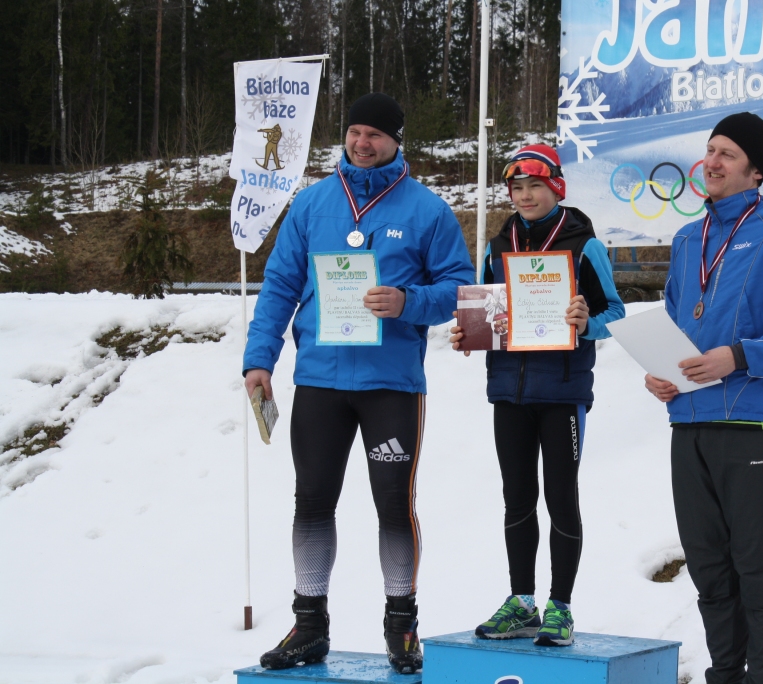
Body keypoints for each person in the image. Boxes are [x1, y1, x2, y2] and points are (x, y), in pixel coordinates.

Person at [243, 93, 475, 674]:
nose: (361, 142)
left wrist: (407, 301)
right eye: (353, 131)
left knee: (394, 503)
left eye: (373, 133)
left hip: (391, 384)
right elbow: (278, 287)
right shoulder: (313, 204)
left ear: (397, 140)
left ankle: (402, 626)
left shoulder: (428, 210)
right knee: (312, 501)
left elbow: (460, 290)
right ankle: (309, 624)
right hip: (320, 379)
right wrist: (258, 360)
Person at [644, 113, 763, 684]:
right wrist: (662, 375)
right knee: (709, 569)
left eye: (727, 154)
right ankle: (725, 673)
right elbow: (681, 330)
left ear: (756, 170)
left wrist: (740, 356)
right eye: (709, 150)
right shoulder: (685, 240)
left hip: (751, 426)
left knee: (756, 569)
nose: (712, 162)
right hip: (689, 425)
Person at [449, 144, 625, 646]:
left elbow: (615, 313)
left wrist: (587, 322)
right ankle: (521, 602)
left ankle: (561, 607)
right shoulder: (497, 242)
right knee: (517, 498)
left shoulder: (582, 242)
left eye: (535, 186)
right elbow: (486, 310)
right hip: (509, 389)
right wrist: (467, 332)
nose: (525, 196)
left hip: (563, 391)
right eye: (517, 188)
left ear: (556, 188)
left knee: (561, 496)